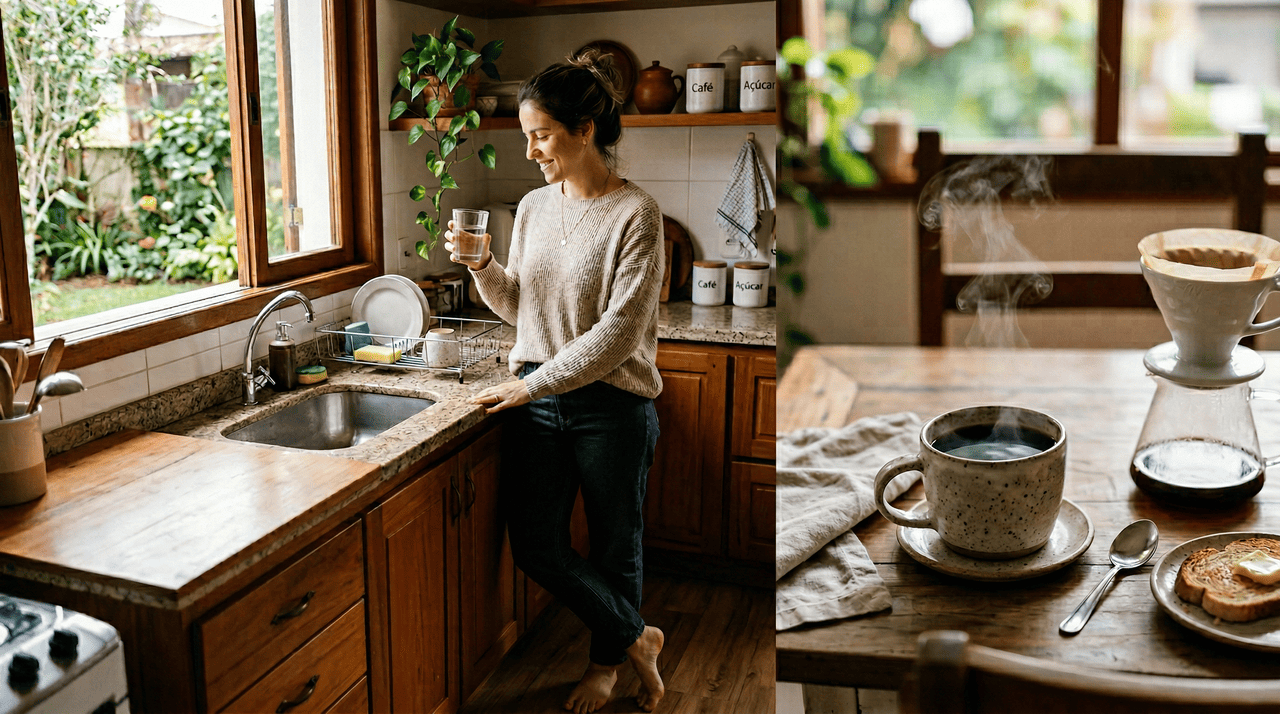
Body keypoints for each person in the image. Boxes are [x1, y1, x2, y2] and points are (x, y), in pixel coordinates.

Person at [443, 49, 666, 714]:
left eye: (541, 134)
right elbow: (525, 306)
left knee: (614, 545)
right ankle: (636, 637)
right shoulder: (534, 207)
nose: (533, 150)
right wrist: (483, 267)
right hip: (540, 402)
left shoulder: (637, 214)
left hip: (611, 406)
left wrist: (531, 386)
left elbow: (617, 336)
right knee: (537, 545)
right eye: (527, 136)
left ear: (585, 129)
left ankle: (605, 668)